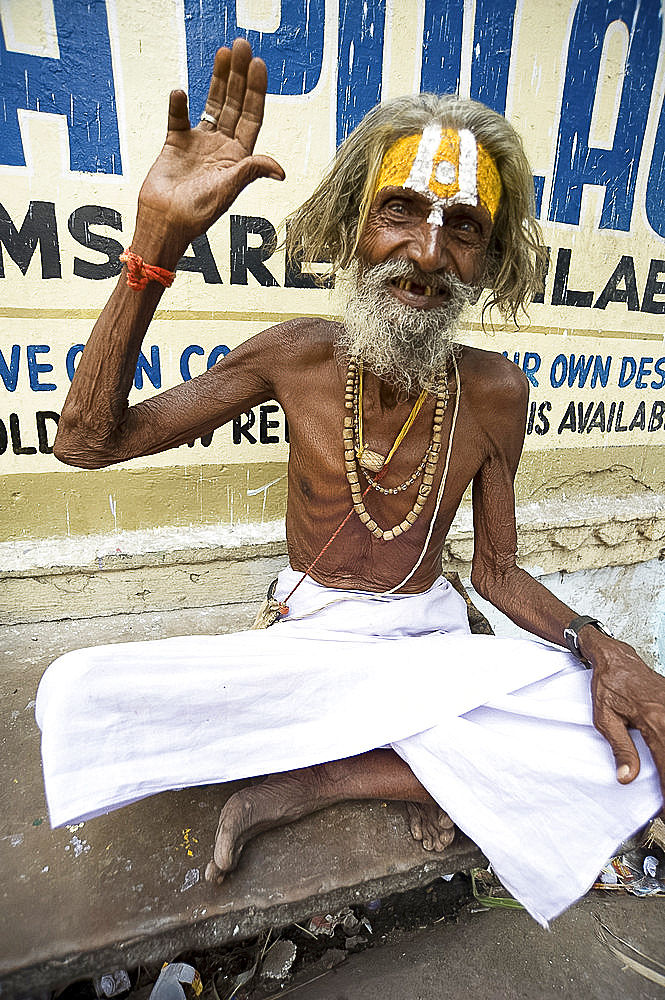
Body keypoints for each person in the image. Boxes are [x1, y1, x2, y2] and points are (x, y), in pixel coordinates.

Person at [36, 39, 664, 926]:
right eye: (400, 211)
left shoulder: (494, 391)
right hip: (311, 630)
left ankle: (315, 779)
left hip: (427, 637)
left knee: (616, 713)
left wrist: (609, 649)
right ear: (354, 224)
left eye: (463, 229)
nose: (427, 252)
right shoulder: (297, 354)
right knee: (76, 695)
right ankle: (412, 759)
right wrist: (155, 243)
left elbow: (495, 574)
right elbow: (88, 444)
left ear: (487, 260)